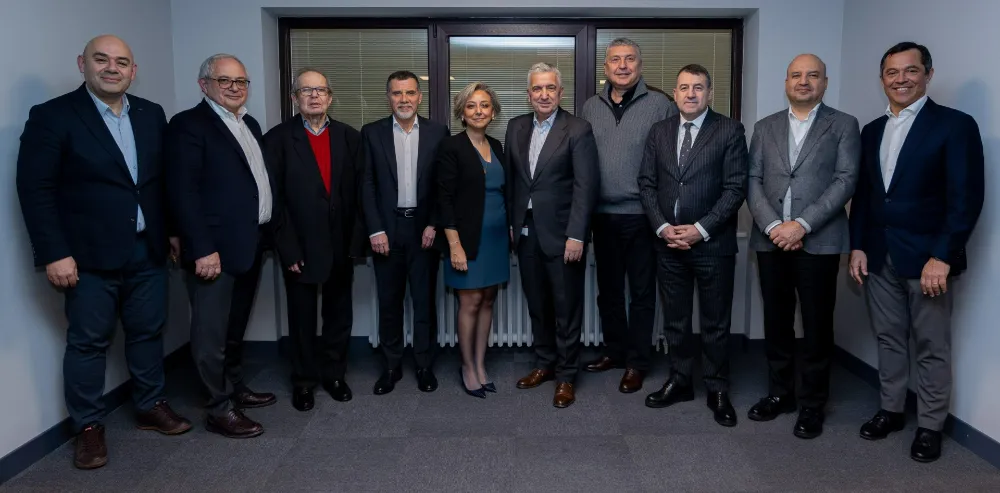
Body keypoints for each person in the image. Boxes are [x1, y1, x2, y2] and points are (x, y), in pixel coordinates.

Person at [15, 34, 191, 470]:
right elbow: (36, 189)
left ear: (133, 70)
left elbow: (159, 182)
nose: (112, 68)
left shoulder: (151, 114)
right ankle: (89, 426)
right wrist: (54, 252)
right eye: (102, 59)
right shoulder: (53, 116)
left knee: (148, 331)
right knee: (88, 342)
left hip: (147, 249)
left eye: (121, 62)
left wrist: (171, 231)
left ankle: (150, 404)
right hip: (87, 257)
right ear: (83, 64)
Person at [849, 42, 984, 462]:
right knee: (889, 339)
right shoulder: (872, 130)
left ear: (928, 74)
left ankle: (930, 426)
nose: (901, 79)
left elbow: (965, 198)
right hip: (878, 255)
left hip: (928, 261)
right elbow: (865, 196)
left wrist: (943, 256)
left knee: (931, 344)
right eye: (892, 72)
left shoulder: (954, 125)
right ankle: (891, 410)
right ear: (882, 79)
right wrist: (857, 246)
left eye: (910, 70)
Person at [746, 54, 861, 439]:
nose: (804, 81)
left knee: (816, 326)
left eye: (813, 75)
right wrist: (774, 226)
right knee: (776, 322)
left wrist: (801, 225)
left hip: (819, 240)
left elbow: (845, 180)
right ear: (786, 82)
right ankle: (780, 394)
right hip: (771, 241)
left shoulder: (843, 124)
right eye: (796, 75)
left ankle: (812, 403)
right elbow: (752, 180)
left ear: (825, 83)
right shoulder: (765, 127)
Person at [167, 53, 277, 438]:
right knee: (210, 332)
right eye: (225, 80)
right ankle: (218, 407)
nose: (234, 88)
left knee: (234, 325)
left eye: (241, 81)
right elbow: (183, 191)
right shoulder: (188, 125)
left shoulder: (249, 123)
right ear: (205, 85)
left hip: (249, 242)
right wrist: (201, 247)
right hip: (213, 249)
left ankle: (234, 387)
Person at [639, 64, 748, 427]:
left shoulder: (729, 130)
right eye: (684, 87)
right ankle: (681, 380)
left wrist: (701, 229)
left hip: (712, 245)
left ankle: (717, 387)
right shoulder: (659, 131)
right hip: (668, 245)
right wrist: (662, 228)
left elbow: (735, 188)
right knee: (676, 320)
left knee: (715, 322)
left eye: (698, 87)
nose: (690, 94)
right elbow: (647, 184)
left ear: (709, 93)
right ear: (675, 93)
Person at [580, 37, 677, 393]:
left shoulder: (661, 105)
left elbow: (671, 163)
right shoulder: (591, 106)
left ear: (640, 64)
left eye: (630, 59)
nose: (622, 65)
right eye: (615, 59)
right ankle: (615, 351)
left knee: (641, 293)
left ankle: (637, 362)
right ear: (605, 66)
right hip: (601, 216)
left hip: (643, 215)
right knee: (608, 292)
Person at [263, 68, 363, 411]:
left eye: (320, 90)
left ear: (330, 97)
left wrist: (355, 242)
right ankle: (304, 381)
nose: (314, 96)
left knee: (339, 315)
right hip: (300, 247)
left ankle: (334, 375)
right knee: (302, 318)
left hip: (340, 244)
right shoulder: (277, 139)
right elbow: (273, 200)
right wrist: (287, 247)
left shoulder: (349, 137)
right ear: (295, 98)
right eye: (306, 90)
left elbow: (359, 193)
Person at [507, 63, 600, 408]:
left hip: (563, 236)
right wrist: (512, 225)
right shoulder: (516, 127)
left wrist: (577, 235)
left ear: (560, 93)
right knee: (537, 305)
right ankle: (544, 364)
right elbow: (513, 182)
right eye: (537, 88)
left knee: (566, 309)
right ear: (528, 94)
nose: (543, 95)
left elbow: (586, 187)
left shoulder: (577, 129)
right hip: (526, 233)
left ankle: (566, 375)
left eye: (550, 88)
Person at [360, 71, 449, 395]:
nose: (404, 99)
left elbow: (442, 185)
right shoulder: (372, 133)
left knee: (424, 303)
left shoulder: (438, 132)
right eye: (397, 93)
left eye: (410, 93)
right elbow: (366, 184)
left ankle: (424, 365)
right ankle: (391, 366)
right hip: (387, 229)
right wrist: (375, 229)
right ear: (388, 98)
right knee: (390, 302)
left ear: (419, 97)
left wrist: (434, 224)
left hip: (424, 230)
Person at [437, 82, 508, 399]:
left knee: (488, 300)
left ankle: (480, 364)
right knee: (470, 302)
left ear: (493, 112)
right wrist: (454, 245)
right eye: (471, 106)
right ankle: (467, 367)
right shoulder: (451, 147)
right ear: (462, 113)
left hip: (496, 238)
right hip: (465, 239)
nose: (479, 111)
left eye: (484, 105)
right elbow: (444, 199)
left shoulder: (497, 145)